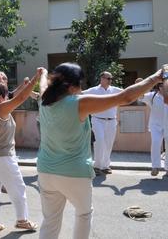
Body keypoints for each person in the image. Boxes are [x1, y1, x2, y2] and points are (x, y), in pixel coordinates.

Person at [37, 63, 162, 239]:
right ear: (73, 85)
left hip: (46, 172)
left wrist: (42, 74)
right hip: (74, 173)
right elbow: (125, 97)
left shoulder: (44, 100)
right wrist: (155, 77)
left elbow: (43, 85)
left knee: (50, 220)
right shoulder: (79, 103)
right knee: (83, 214)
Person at [0, 70, 41, 235]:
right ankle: (22, 220)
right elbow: (20, 98)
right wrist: (35, 78)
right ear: (1, 97)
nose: (8, 95)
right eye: (5, 93)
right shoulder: (1, 109)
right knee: (19, 188)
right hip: (2, 158)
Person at [82, 71, 122, 175]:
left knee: (108, 144)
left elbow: (128, 93)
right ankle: (97, 166)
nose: (110, 81)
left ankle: (105, 166)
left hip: (112, 121)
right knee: (99, 141)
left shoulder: (115, 90)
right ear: (102, 79)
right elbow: (81, 95)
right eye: (108, 78)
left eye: (111, 79)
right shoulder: (94, 90)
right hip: (97, 120)